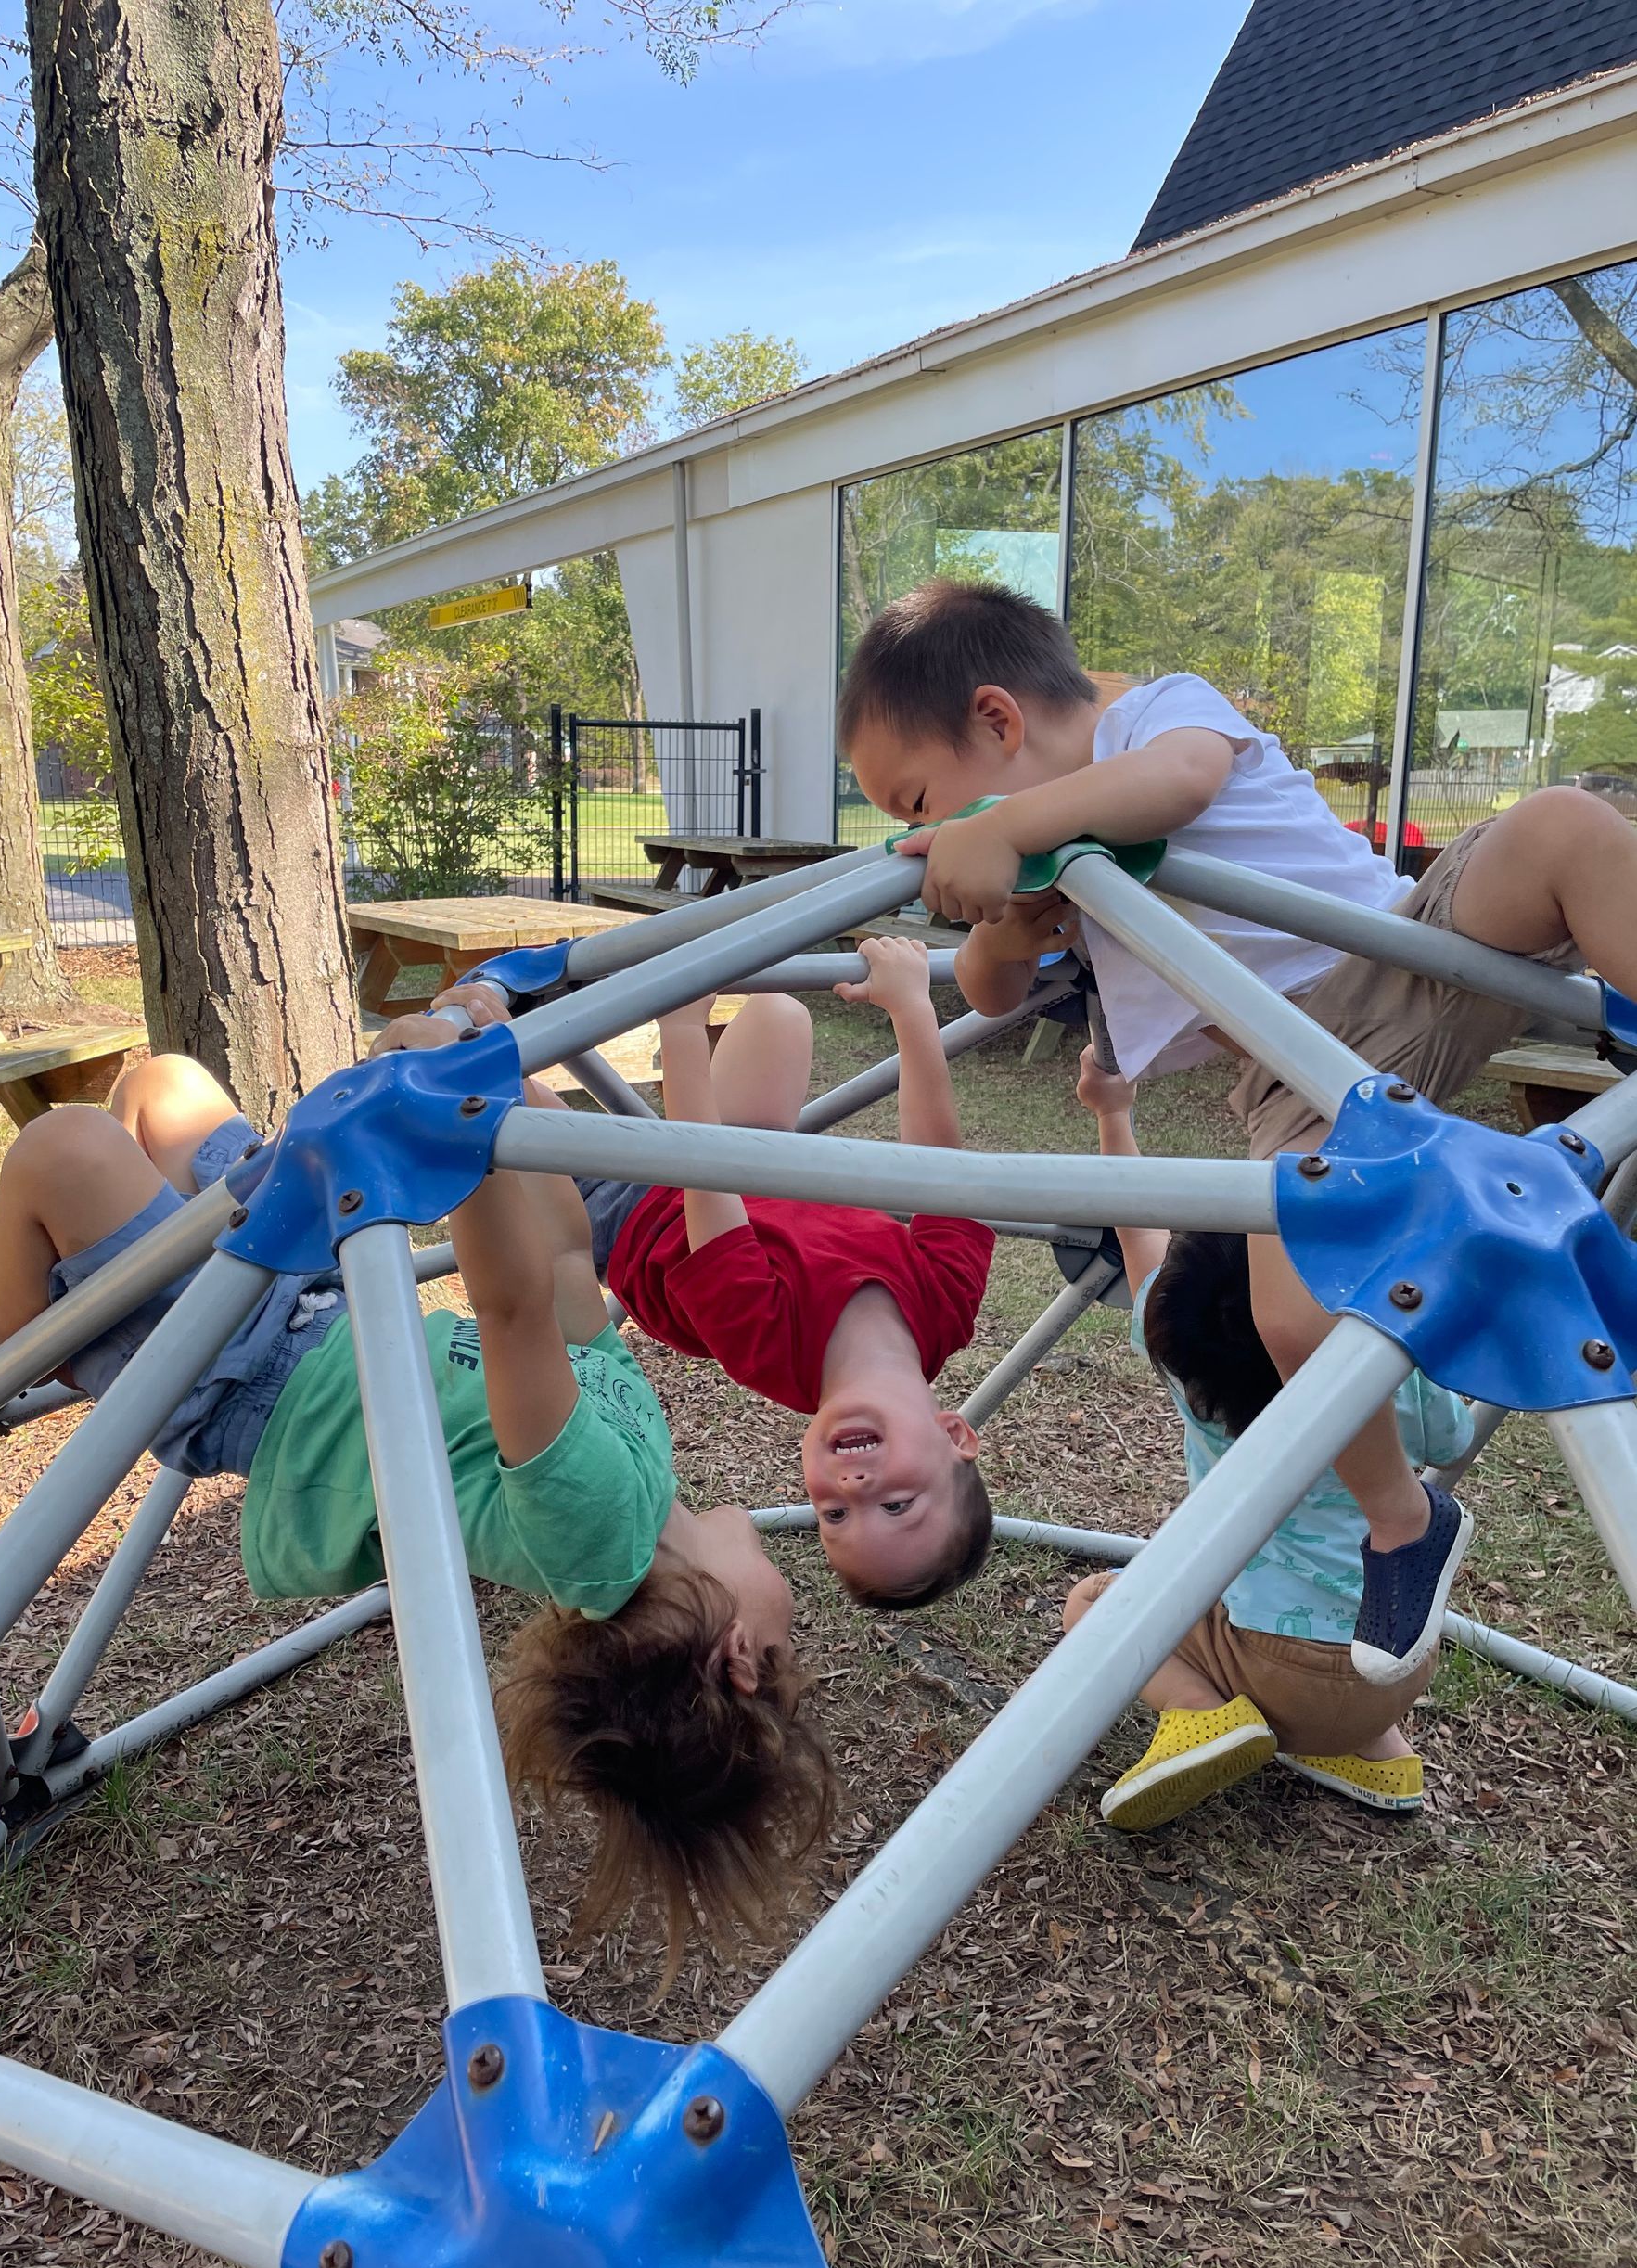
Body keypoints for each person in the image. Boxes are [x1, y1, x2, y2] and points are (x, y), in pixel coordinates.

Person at [0, 1054, 833, 1966]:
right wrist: (506, 1081)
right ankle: (104, 1294)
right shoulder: (646, 1480)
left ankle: (4, 1330)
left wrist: (460, 1128)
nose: (798, 1614)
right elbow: (572, 1267)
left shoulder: (598, 1543)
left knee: (62, 1147)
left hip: (242, 1373)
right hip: (319, 1299)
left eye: (794, 1653)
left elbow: (516, 1309)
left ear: (743, 1655)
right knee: (165, 1086)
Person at [838, 575, 1637, 1683]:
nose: (922, 839)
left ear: (997, 720)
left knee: (1563, 826)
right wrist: (1013, 904)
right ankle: (1403, 1524)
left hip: (1402, 954)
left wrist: (1016, 823)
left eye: (919, 804)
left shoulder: (1156, 717)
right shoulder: (1065, 866)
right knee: (1297, 1323)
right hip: (1296, 1077)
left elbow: (1182, 780)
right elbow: (987, 987)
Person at [405, 942, 997, 1608]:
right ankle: (531, 1040)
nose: (852, 1490)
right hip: (760, 1167)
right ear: (954, 1435)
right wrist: (911, 1006)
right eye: (896, 1503)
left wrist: (682, 1027)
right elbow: (943, 1173)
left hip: (642, 1217)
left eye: (831, 1517)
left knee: (491, 1078)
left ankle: (476, 1029)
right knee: (780, 1015)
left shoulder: (768, 1348)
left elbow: (700, 1176)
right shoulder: (947, 1305)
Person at [1068, 1046, 1474, 1829]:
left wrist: (1111, 1113)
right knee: (1325, 1619)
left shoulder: (1189, 1368)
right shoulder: (1384, 1369)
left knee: (1095, 1603)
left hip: (1275, 1666)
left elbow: (1138, 1233)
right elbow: (1451, 1438)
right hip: (1393, 1666)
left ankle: (1198, 1717)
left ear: (1168, 1326)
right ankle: (1371, 1754)